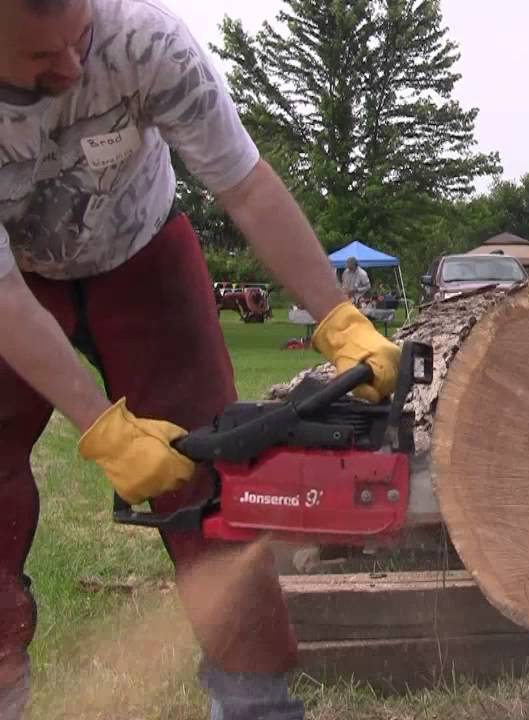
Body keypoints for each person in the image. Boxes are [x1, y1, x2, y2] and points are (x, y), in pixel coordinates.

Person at [0, 0, 403, 718]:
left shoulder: (146, 41)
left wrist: (338, 316)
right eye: (39, 60)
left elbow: (244, 184)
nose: (70, 67)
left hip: (146, 257)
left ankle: (253, 704)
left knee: (219, 484)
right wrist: (103, 426)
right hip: (16, 283)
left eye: (78, 38)